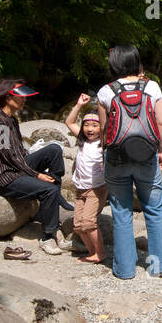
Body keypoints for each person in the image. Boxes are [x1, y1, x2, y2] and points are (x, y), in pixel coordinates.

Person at [97, 45, 162, 278]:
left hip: (116, 157)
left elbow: (105, 129)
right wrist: (161, 150)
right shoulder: (152, 87)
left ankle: (125, 270)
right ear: (136, 62)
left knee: (121, 211)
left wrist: (105, 155)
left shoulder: (106, 91)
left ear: (114, 64)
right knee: (154, 210)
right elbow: (160, 124)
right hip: (146, 156)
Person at [0, 78, 74, 256]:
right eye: (20, 97)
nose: (24, 100)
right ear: (7, 98)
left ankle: (54, 198)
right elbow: (9, 156)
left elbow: (19, 153)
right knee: (48, 189)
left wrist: (35, 170)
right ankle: (48, 236)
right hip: (1, 176)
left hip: (14, 168)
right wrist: (36, 175)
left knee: (53, 150)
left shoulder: (11, 120)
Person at [64, 94, 108, 263]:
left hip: (96, 188)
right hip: (80, 188)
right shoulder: (82, 140)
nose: (90, 129)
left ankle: (101, 252)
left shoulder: (103, 142)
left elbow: (106, 128)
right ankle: (92, 253)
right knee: (78, 226)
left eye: (95, 125)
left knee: (88, 223)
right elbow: (69, 122)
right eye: (87, 125)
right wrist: (79, 105)